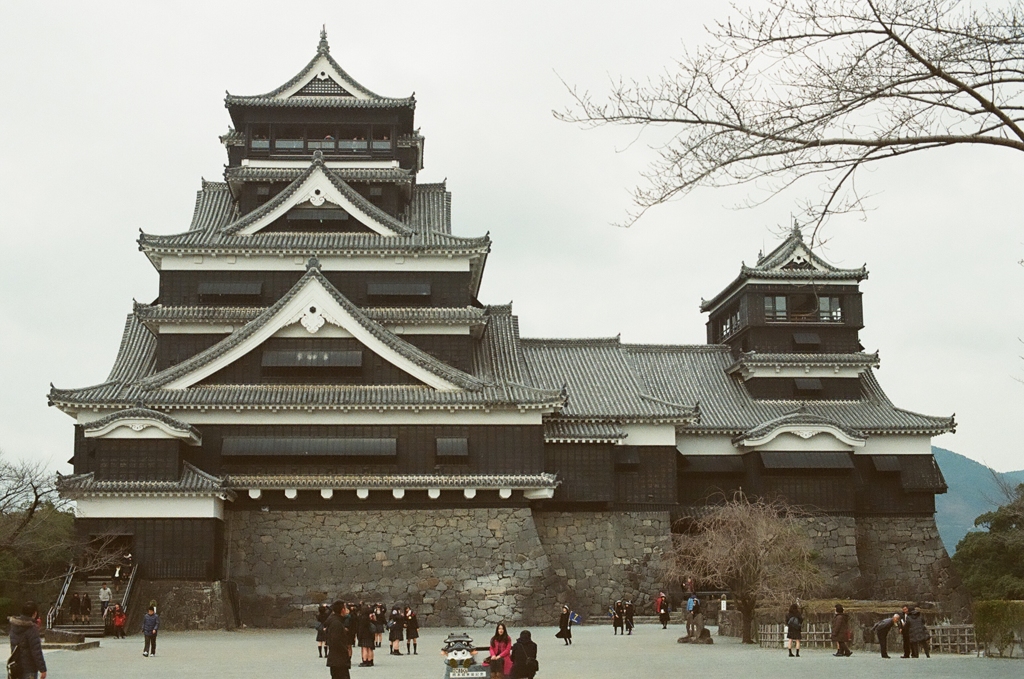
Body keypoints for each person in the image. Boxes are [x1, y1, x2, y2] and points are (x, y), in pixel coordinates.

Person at [9, 601, 46, 679]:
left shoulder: (14, 626)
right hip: (29, 667)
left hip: (15, 666)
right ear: (35, 613)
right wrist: (42, 669)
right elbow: (36, 651)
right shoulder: (32, 629)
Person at [325, 601, 352, 679]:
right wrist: (345, 651)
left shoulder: (337, 621)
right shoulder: (336, 623)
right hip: (338, 660)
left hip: (337, 659)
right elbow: (335, 641)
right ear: (342, 610)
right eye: (345, 607)